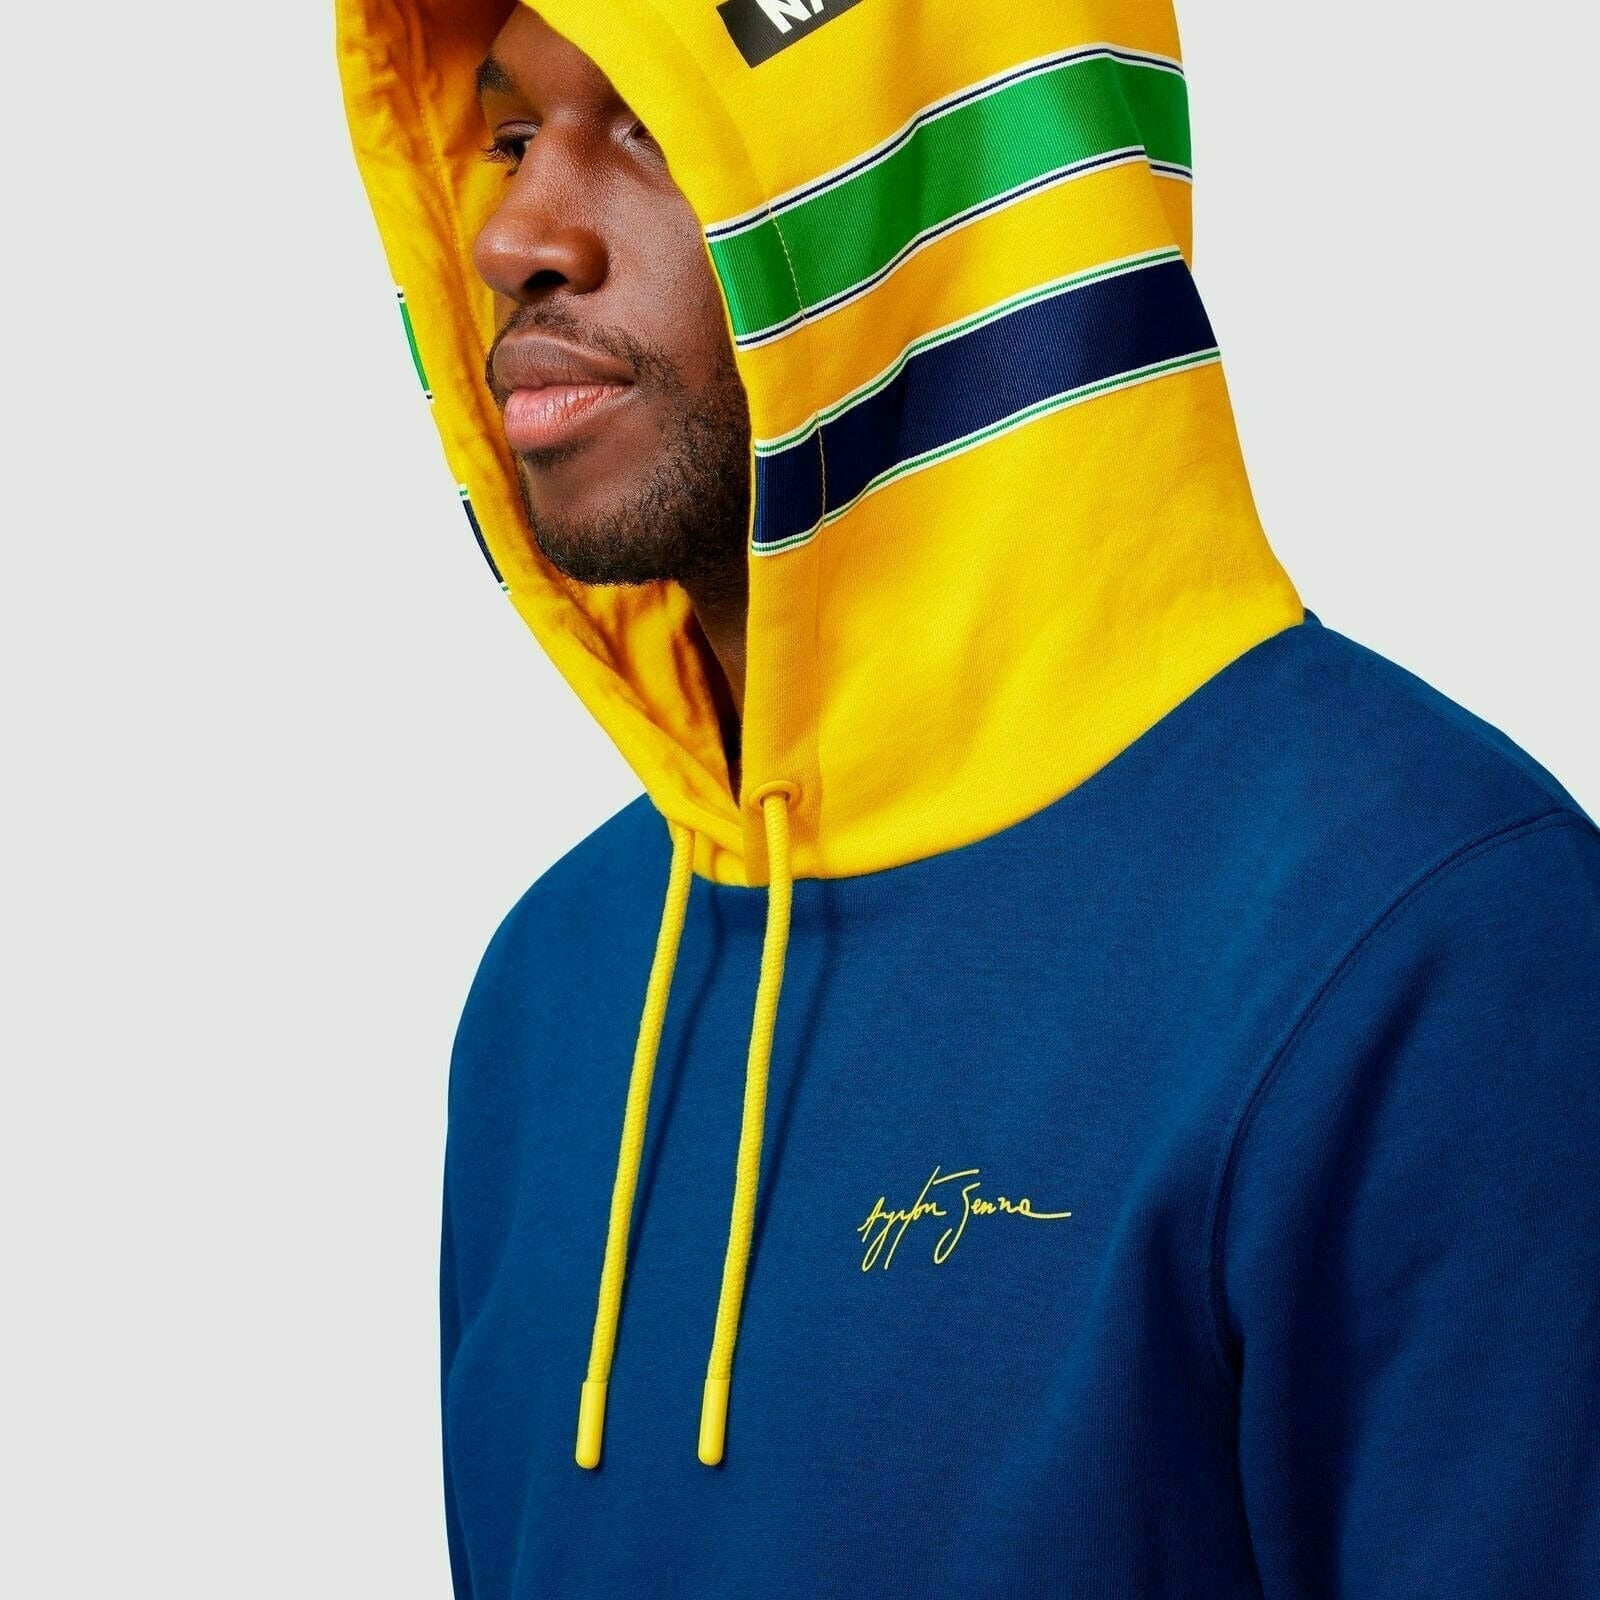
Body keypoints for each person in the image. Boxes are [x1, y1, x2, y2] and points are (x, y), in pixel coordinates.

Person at [336, 2, 1600, 1595]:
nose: (517, 235)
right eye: (511, 136)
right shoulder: (557, 985)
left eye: (653, 125)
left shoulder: (1440, 933)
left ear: (943, 184)